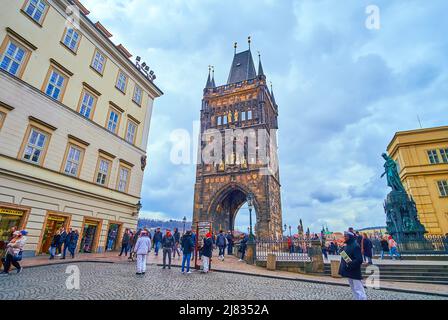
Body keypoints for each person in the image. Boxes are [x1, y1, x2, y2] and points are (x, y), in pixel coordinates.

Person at [338, 231, 367, 300]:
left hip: (354, 271)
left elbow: (359, 260)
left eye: (346, 236)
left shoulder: (355, 246)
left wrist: (349, 264)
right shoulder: (347, 245)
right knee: (353, 288)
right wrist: (341, 251)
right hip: (349, 270)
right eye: (344, 236)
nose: (344, 237)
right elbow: (346, 258)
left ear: (350, 237)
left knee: (358, 289)